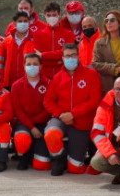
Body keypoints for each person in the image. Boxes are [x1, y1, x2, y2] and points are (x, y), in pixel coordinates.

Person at [43, 44, 103, 176]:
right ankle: (59, 158)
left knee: (75, 169)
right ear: (63, 58)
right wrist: (61, 114)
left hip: (81, 122)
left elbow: (94, 100)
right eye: (67, 56)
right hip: (60, 118)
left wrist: (73, 114)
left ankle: (72, 159)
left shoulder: (91, 74)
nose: (71, 58)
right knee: (51, 134)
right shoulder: (58, 77)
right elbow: (48, 101)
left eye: (73, 55)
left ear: (78, 56)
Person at [89, 76, 120, 184]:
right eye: (117, 89)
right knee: (96, 162)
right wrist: (109, 154)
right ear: (113, 89)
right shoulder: (105, 106)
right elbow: (96, 134)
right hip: (114, 147)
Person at [10, 53, 51, 170]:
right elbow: (17, 110)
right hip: (24, 122)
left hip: (43, 123)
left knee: (41, 165)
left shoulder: (48, 83)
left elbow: (48, 108)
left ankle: (37, 154)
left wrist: (35, 125)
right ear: (24, 66)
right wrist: (31, 127)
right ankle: (23, 156)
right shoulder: (16, 85)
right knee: (22, 138)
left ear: (41, 66)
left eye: (35, 64)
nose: (32, 67)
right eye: (29, 64)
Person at [0, 11, 47, 87]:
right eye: (20, 21)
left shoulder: (35, 40)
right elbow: (2, 62)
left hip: (28, 83)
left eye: (25, 21)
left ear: (29, 23)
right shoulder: (7, 41)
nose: (23, 23)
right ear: (14, 23)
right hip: (9, 83)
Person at [91, 10, 120, 93]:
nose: (109, 23)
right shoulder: (99, 43)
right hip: (108, 84)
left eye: (112, 20)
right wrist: (115, 69)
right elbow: (95, 64)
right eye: (106, 21)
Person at [40, 2, 75, 79]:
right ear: (45, 16)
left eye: (54, 15)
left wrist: (43, 55)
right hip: (44, 76)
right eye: (48, 15)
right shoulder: (38, 34)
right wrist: (58, 61)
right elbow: (37, 57)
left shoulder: (69, 34)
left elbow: (66, 53)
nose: (51, 18)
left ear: (59, 15)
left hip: (64, 75)